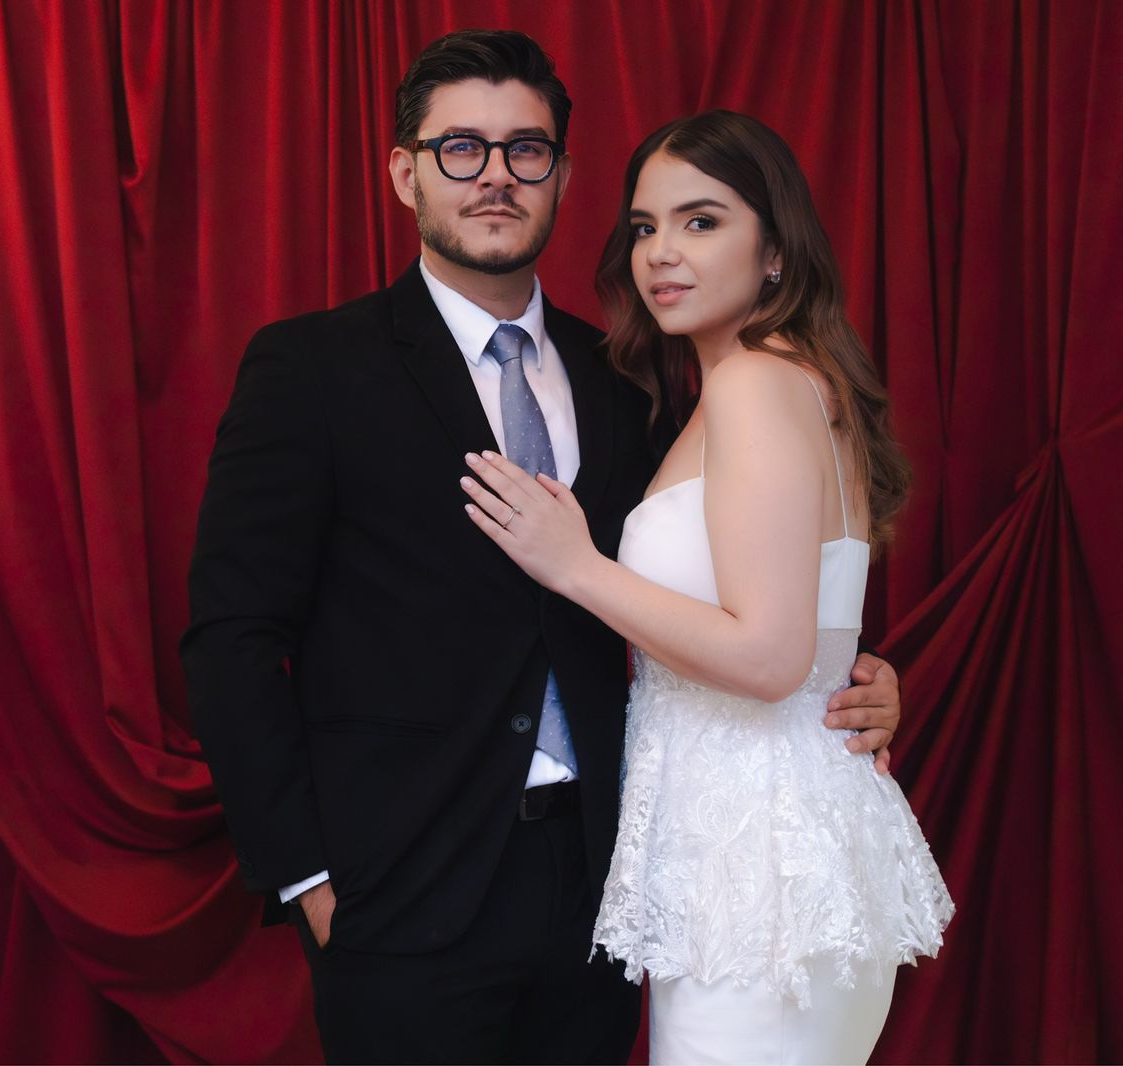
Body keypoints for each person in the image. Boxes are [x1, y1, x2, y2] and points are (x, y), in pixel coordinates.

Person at [182, 32, 906, 1064]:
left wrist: (851, 673)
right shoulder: (311, 369)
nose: (495, 176)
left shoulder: (628, 381)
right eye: (460, 148)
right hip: (402, 898)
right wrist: (309, 881)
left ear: (561, 176)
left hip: (602, 892)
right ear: (405, 173)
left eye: (525, 150)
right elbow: (233, 640)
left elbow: (735, 568)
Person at [458, 110, 954, 1064]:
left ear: (777, 251)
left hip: (759, 871)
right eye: (645, 226)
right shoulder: (772, 382)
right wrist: (858, 672)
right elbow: (806, 623)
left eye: (702, 221)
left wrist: (578, 568)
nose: (661, 253)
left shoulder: (754, 383)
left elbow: (769, 657)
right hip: (765, 850)